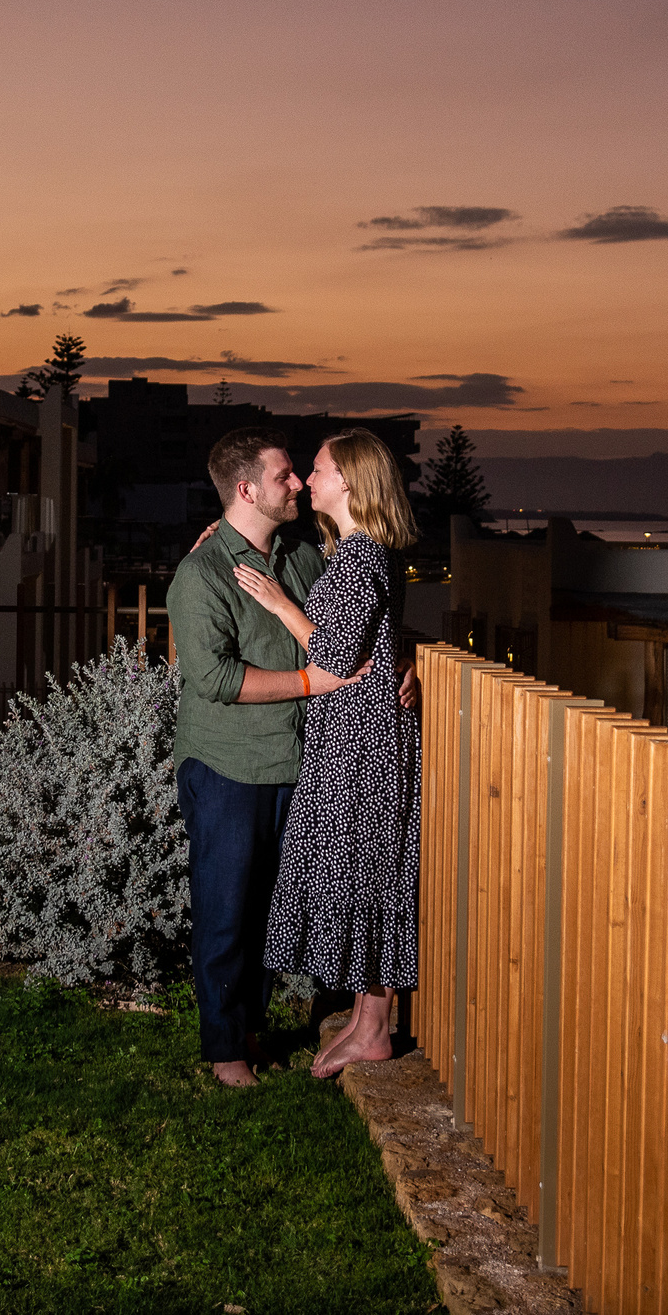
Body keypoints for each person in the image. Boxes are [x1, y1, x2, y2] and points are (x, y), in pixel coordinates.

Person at [165, 427, 366, 1088]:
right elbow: (215, 679)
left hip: (292, 763)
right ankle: (226, 1049)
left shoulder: (304, 558)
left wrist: (404, 661)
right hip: (227, 767)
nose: (300, 483)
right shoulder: (201, 575)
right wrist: (313, 683)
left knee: (270, 909)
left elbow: (349, 629)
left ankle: (251, 1026)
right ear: (247, 488)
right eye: (285, 475)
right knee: (225, 908)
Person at [234, 428, 421, 1078]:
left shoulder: (364, 556)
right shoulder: (353, 554)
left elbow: (336, 654)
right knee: (366, 875)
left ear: (351, 481)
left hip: (364, 749)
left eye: (318, 470)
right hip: (352, 740)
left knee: (370, 877)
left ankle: (374, 1027)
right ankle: (369, 1023)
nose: (309, 480)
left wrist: (280, 604)